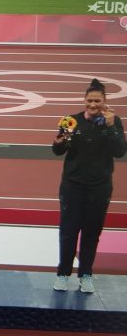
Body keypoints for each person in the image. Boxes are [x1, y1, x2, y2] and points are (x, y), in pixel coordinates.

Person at [52, 78, 126, 292]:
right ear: (84, 100)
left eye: (97, 101)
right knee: (68, 231)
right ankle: (63, 274)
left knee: (92, 232)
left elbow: (120, 151)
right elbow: (57, 150)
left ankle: (86, 275)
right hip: (72, 187)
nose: (93, 105)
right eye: (89, 101)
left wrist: (111, 127)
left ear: (104, 102)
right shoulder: (70, 121)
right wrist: (60, 141)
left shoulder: (113, 122)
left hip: (99, 188)